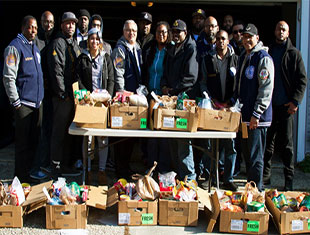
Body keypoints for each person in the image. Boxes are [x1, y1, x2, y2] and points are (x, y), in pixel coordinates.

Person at [263, 21, 307, 191]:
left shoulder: (294, 54)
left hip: (286, 106)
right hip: (270, 107)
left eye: (284, 30)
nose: (281, 32)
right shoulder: (269, 51)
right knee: (268, 144)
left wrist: (295, 101)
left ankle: (289, 180)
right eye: (278, 29)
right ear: (274, 31)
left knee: (287, 145)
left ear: (288, 33)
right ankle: (266, 177)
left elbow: (302, 80)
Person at [3, 15, 44, 182]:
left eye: (35, 28)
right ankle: (19, 178)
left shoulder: (34, 47)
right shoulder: (14, 47)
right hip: (24, 105)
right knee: (22, 144)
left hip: (37, 103)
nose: (33, 30)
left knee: (34, 141)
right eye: (30, 27)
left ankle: (28, 174)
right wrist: (16, 102)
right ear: (22, 28)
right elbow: (8, 77)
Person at [235, 23, 274, 191]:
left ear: (257, 38)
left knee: (256, 156)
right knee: (248, 156)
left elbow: (266, 88)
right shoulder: (245, 56)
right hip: (244, 116)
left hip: (257, 119)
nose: (247, 40)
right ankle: (250, 190)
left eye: (250, 37)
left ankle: (257, 191)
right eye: (244, 37)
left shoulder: (263, 57)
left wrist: (256, 113)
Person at [200, 30, 239, 191]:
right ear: (214, 41)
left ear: (228, 41)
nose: (220, 41)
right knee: (210, 144)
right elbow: (202, 82)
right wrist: (210, 99)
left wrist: (231, 101)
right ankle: (209, 177)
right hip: (213, 106)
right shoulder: (207, 59)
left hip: (230, 107)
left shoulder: (236, 59)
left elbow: (240, 84)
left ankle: (228, 178)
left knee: (230, 144)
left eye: (223, 39)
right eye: (218, 39)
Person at [76, 28, 114, 185]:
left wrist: (107, 96)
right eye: (91, 39)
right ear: (88, 41)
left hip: (103, 102)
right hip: (88, 102)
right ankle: (88, 169)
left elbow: (111, 79)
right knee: (88, 137)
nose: (94, 41)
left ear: (100, 42)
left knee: (103, 139)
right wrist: (87, 96)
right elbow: (78, 79)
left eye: (97, 39)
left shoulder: (106, 58)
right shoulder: (82, 58)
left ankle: (102, 170)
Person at [161, 19, 198, 180]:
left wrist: (174, 90)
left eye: (179, 32)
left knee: (183, 140)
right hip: (170, 100)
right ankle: (178, 176)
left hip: (184, 100)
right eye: (174, 32)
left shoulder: (191, 48)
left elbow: (191, 77)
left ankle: (189, 178)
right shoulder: (171, 48)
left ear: (186, 33)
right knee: (171, 138)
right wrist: (164, 86)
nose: (176, 35)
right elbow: (165, 71)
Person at [47, 12, 82, 178]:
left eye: (73, 24)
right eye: (67, 23)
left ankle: (66, 165)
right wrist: (62, 94)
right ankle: (56, 167)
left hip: (73, 96)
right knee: (59, 133)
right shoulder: (58, 43)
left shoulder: (74, 43)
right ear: (61, 25)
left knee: (69, 133)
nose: (70, 26)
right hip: (63, 98)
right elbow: (56, 71)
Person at [111, 20, 142, 179]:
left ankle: (126, 166)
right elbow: (118, 72)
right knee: (122, 135)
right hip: (125, 98)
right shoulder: (119, 49)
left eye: (134, 31)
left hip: (136, 96)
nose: (132, 33)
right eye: (129, 30)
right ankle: (120, 169)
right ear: (123, 31)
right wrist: (122, 94)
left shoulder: (137, 47)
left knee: (131, 133)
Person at [142, 21, 172, 173]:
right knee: (152, 132)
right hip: (150, 96)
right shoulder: (150, 49)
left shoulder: (171, 50)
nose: (162, 35)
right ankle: (151, 166)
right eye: (159, 32)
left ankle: (164, 167)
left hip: (164, 98)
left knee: (164, 132)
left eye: (164, 32)